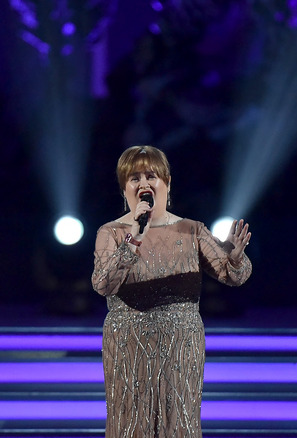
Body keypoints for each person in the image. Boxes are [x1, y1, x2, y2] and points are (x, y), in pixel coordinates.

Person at [91, 145, 252, 437]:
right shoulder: (111, 233)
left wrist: (236, 257)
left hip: (181, 345)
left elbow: (232, 275)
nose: (143, 184)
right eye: (134, 178)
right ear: (124, 188)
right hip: (127, 343)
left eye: (150, 176)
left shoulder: (191, 231)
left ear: (166, 183)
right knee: (130, 422)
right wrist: (134, 238)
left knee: (179, 420)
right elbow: (103, 284)